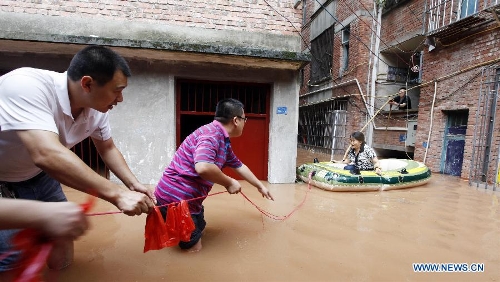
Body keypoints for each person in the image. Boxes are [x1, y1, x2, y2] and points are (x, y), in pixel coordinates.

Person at [0, 45, 155, 273]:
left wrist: (133, 184)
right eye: (117, 90)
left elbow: (107, 147)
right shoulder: (25, 85)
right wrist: (118, 194)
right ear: (87, 84)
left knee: (63, 237)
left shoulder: (98, 110)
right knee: (11, 260)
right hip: (3, 182)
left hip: (41, 176)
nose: (120, 99)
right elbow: (47, 153)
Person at [154, 98, 274, 252]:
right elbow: (203, 167)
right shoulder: (211, 135)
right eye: (245, 119)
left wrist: (260, 186)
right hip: (175, 202)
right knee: (193, 249)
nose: (245, 122)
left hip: (189, 202)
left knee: (201, 230)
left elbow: (239, 166)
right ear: (236, 120)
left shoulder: (222, 139)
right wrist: (229, 182)